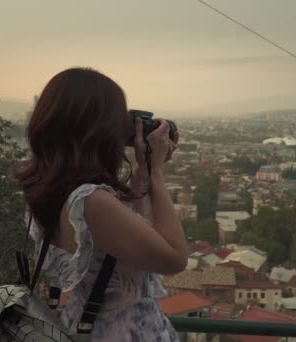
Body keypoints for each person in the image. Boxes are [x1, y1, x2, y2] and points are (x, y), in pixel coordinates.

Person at [13, 67, 188, 341]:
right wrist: (157, 174)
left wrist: (142, 171)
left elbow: (124, 238)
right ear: (97, 129)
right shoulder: (92, 202)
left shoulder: (53, 191)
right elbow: (175, 258)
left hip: (83, 325)